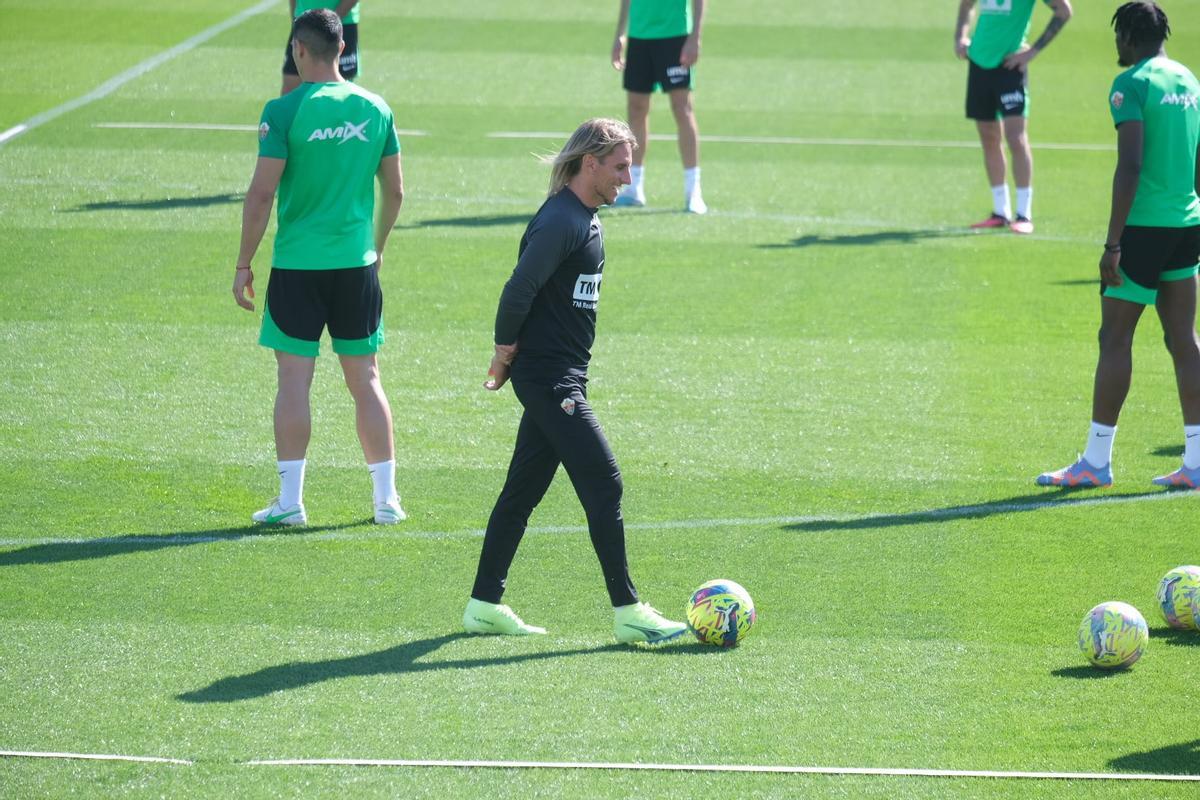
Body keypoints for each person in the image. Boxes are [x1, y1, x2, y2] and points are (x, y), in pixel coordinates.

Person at [463, 118, 688, 644]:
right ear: (590, 164)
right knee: (604, 480)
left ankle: (482, 604)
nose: (627, 180)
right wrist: (503, 354)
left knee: (522, 491)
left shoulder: (584, 217)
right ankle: (628, 610)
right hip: (549, 380)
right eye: (619, 167)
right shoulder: (563, 220)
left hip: (560, 376)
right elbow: (518, 290)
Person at [233, 9, 406, 525]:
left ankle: (290, 503)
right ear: (341, 49)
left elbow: (262, 193)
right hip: (356, 267)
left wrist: (243, 262)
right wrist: (374, 249)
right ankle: (386, 502)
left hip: (297, 268)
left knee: (293, 380)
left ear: (298, 51)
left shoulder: (283, 111)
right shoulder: (376, 108)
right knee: (366, 379)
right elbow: (395, 191)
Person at [1037, 1, 1200, 489]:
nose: (1116, 47)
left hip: (1144, 229)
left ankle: (1095, 462)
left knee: (1115, 338)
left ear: (1128, 36)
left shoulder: (1132, 84)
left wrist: (1113, 245)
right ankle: (1195, 463)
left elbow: (1129, 167)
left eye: (1117, 37)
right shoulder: (1189, 80)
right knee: (1183, 341)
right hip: (1187, 221)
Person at [955, 0, 1072, 234]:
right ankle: (1000, 212)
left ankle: (1024, 214)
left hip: (1010, 68)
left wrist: (1032, 51)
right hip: (979, 64)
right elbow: (966, 5)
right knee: (989, 137)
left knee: (1016, 138)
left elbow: (1064, 10)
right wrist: (960, 38)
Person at [611, 0, 707, 214]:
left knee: (681, 108)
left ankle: (693, 189)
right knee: (636, 108)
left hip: (674, 35)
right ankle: (634, 186)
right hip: (639, 36)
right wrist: (621, 33)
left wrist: (695, 36)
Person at [281, 1, 360, 96]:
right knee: (290, 89)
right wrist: (295, 21)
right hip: (303, 22)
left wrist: (332, 21)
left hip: (340, 23)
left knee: (338, 91)